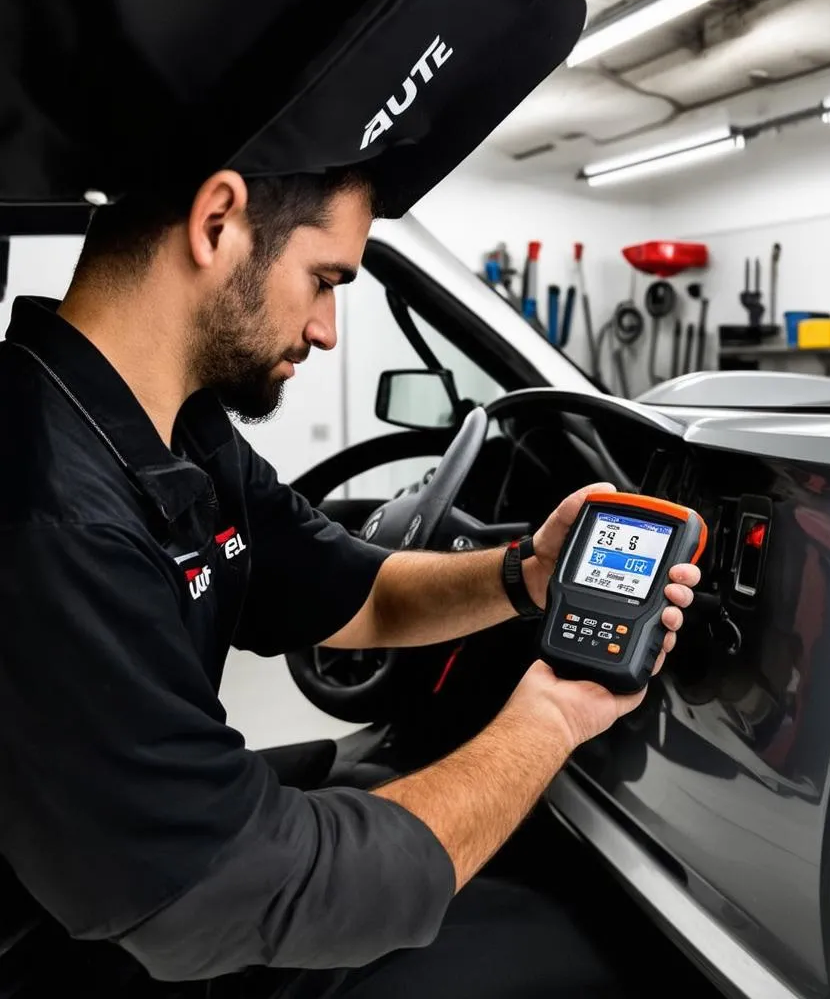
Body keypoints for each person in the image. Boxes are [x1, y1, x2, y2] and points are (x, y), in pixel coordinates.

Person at [0, 166, 701, 998]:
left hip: (147, 868)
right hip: (71, 941)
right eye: (324, 279)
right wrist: (548, 720)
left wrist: (525, 577)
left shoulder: (164, 422)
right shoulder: (50, 509)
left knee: (392, 798)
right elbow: (223, 897)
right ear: (216, 221)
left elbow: (352, 590)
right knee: (572, 956)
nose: (328, 329)